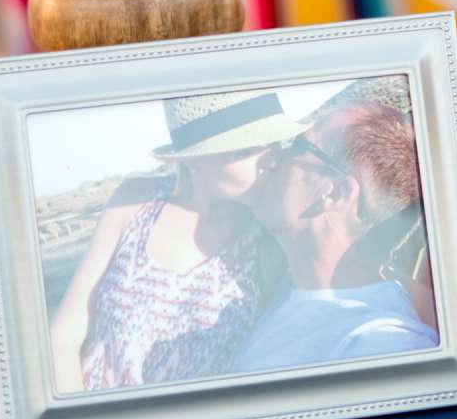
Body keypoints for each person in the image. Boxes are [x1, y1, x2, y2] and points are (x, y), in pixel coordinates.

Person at [46, 92, 293, 394]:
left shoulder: (266, 244)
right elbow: (64, 335)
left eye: (275, 144)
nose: (272, 159)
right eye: (251, 148)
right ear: (194, 159)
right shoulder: (135, 203)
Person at [231, 101, 438, 375]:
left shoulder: (383, 346)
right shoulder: (283, 284)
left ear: (335, 193)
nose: (273, 157)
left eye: (296, 146)